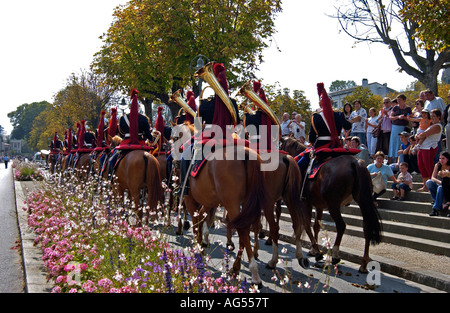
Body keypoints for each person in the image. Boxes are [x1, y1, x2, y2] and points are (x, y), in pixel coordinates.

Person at [416, 109, 443, 192]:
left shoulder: (437, 126)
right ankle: (425, 186)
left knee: (429, 167)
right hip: (422, 147)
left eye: (434, 116)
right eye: (431, 116)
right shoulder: (430, 125)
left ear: (438, 117)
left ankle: (432, 186)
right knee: (422, 167)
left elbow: (424, 134)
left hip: (429, 148)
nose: (432, 118)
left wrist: (419, 136)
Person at [388, 94, 412, 164]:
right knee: (393, 143)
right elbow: (390, 117)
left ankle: (400, 160)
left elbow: (410, 117)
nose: (398, 101)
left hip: (403, 127)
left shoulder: (408, 108)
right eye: (398, 100)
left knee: (401, 142)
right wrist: (398, 117)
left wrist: (404, 118)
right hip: (395, 127)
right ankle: (392, 160)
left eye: (400, 100)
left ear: (404, 100)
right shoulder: (395, 108)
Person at [426, 152, 450, 216]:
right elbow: (432, 177)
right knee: (429, 182)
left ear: (447, 159)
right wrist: (440, 182)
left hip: (447, 187)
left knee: (440, 187)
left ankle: (435, 209)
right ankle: (436, 200)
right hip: (440, 184)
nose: (441, 160)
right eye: (440, 158)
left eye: (443, 158)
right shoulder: (437, 165)